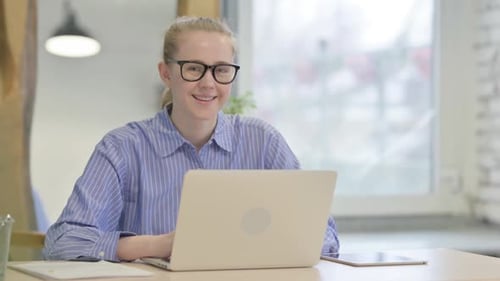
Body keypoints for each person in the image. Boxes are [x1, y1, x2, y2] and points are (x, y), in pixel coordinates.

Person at [43, 16, 339, 262]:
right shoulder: (122, 147)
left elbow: (324, 237)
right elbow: (62, 244)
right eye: (194, 68)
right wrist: (165, 245)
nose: (209, 83)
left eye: (221, 70)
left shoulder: (262, 141)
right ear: (166, 73)